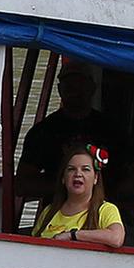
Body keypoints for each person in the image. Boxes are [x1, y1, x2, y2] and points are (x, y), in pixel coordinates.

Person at [15, 60, 126, 203]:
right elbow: (22, 185)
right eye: (70, 86)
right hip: (58, 213)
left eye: (81, 86)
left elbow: (127, 181)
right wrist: (69, 186)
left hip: (102, 210)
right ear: (60, 90)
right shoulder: (43, 132)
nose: (75, 92)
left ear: (92, 88)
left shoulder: (110, 129)